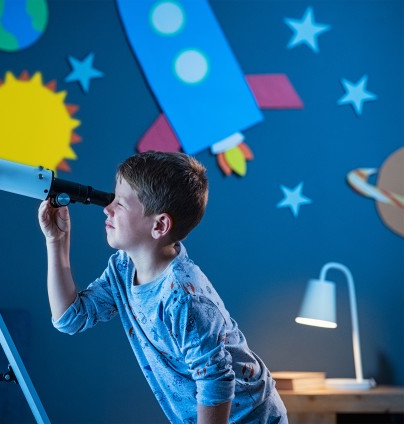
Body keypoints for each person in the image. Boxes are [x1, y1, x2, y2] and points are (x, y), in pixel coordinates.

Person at [38, 151, 287, 423]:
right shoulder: (123, 268)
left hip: (251, 418)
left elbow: (215, 381)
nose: (107, 208)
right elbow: (70, 319)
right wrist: (56, 241)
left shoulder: (184, 299)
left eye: (120, 204)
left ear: (159, 225)